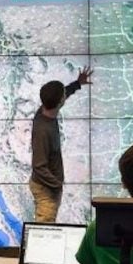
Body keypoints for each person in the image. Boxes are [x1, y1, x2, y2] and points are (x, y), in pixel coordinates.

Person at [30, 65, 93, 222]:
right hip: (46, 190)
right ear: (60, 101)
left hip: (49, 186)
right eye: (64, 94)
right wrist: (57, 185)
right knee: (44, 231)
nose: (66, 94)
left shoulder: (44, 110)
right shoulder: (43, 130)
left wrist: (77, 83)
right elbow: (39, 167)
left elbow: (62, 93)